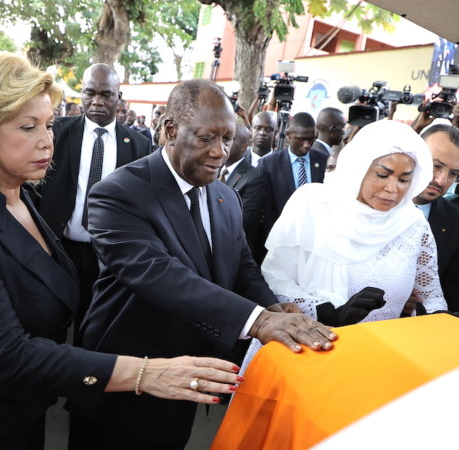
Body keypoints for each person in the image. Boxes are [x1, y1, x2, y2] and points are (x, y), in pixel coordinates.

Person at [0, 51, 240, 449]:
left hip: (13, 415)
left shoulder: (15, 192)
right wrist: (145, 374)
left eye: (48, 124)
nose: (48, 140)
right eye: (28, 127)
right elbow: (3, 352)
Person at [68, 79, 336, 449]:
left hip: (191, 378)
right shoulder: (119, 192)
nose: (220, 152)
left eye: (227, 139)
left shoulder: (225, 196)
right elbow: (158, 274)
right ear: (171, 130)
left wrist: (272, 306)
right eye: (207, 138)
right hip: (128, 379)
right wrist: (259, 321)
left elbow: (241, 265)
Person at [259, 119, 446, 326]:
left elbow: (430, 294)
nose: (392, 189)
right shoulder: (313, 205)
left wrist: (439, 320)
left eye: (403, 180)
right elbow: (276, 279)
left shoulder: (413, 224)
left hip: (382, 350)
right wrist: (328, 312)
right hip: (310, 341)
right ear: (358, 168)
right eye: (382, 175)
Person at [36, 63, 152, 333]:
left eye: (106, 94)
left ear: (119, 97)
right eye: (90, 93)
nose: (97, 101)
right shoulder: (57, 133)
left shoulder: (138, 144)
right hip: (58, 247)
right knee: (50, 321)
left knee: (92, 326)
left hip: (108, 256)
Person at [411, 124, 459, 320]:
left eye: (453, 173)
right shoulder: (371, 205)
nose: (442, 180)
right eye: (436, 166)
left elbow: (458, 301)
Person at [258, 111, 327, 234]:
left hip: (316, 234)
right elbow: (264, 207)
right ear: (288, 135)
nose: (307, 145)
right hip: (280, 235)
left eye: (311, 139)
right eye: (301, 139)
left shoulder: (323, 161)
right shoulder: (269, 164)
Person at [220, 122, 267, 262]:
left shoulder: (254, 178)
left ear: (244, 147)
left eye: (229, 140)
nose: (222, 144)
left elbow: (243, 221)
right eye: (222, 138)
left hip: (233, 255)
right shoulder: (212, 169)